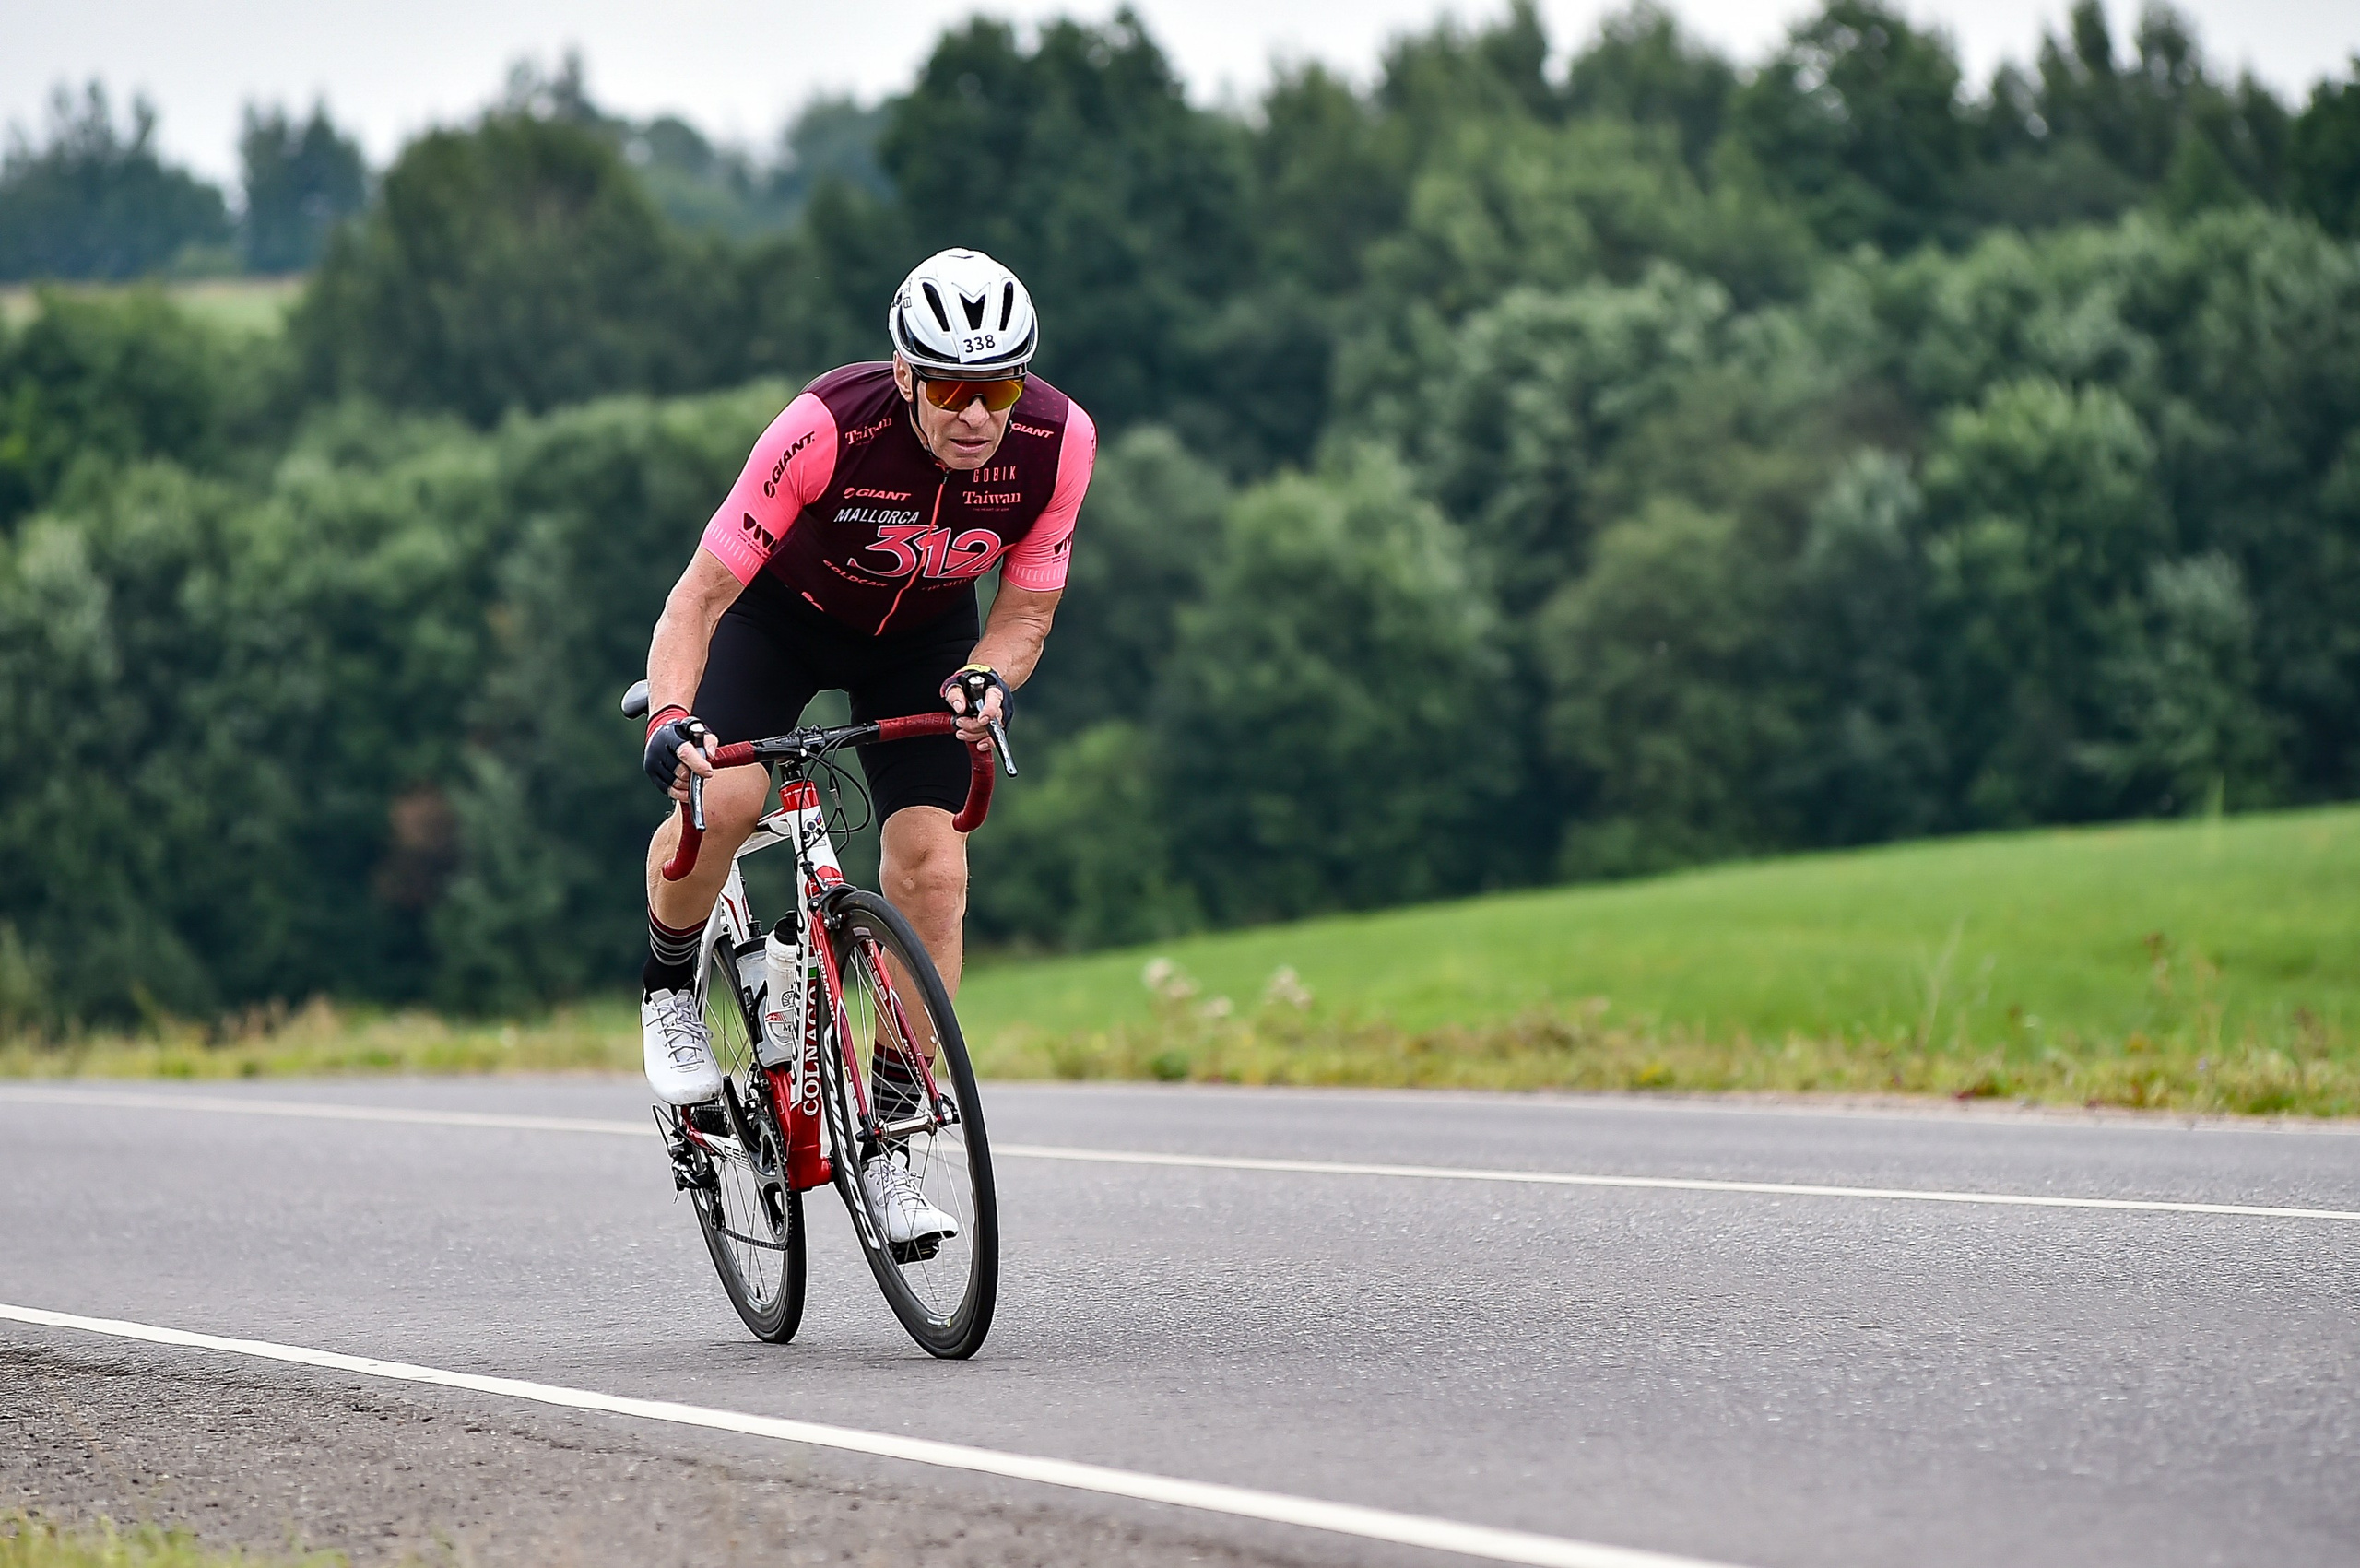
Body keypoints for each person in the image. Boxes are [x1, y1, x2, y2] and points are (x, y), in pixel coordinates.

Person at [635, 247, 1094, 1242]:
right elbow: (698, 598)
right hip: (778, 622)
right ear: (903, 376)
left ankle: (887, 1133)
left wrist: (991, 680)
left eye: (1000, 387)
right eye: (950, 389)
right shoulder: (825, 429)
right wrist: (674, 715)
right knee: (726, 798)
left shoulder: (1059, 443)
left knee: (932, 870)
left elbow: (1025, 613)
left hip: (923, 639)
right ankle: (671, 986)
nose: (977, 416)